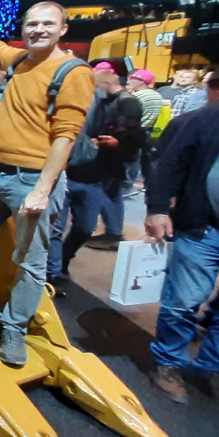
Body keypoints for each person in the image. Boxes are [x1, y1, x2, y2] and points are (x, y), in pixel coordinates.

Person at [0, 0, 94, 367]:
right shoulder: (19, 61)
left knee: (30, 261)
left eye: (47, 23)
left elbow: (66, 136)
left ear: (63, 29)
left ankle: (14, 328)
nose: (38, 30)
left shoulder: (73, 72)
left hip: (33, 179)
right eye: (32, 23)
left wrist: (42, 190)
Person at [145, 93, 219, 413]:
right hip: (205, 228)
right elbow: (173, 160)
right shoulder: (218, 115)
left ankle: (213, 370)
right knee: (183, 303)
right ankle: (168, 363)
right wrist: (157, 208)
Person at [47, 62, 142, 281]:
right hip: (64, 174)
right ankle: (54, 272)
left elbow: (135, 137)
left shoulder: (117, 104)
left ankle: (63, 261)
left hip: (94, 177)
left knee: (84, 227)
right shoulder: (67, 102)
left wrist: (115, 143)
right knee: (55, 229)